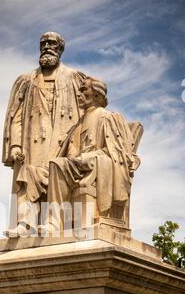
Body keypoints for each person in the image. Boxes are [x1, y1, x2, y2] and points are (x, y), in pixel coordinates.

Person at [2, 31, 87, 236]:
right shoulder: (26, 80)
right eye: (43, 43)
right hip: (33, 142)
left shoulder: (75, 78)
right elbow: (17, 116)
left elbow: (86, 111)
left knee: (57, 179)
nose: (47, 46)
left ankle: (54, 222)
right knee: (27, 175)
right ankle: (25, 223)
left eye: (52, 43)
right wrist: (15, 145)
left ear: (61, 49)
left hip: (64, 140)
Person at [39, 76, 141, 234]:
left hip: (92, 166)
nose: (78, 94)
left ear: (97, 95)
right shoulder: (77, 124)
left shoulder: (107, 117)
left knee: (57, 165)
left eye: (83, 89)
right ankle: (25, 223)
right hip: (74, 167)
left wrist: (87, 157)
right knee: (31, 173)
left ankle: (54, 222)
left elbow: (118, 153)